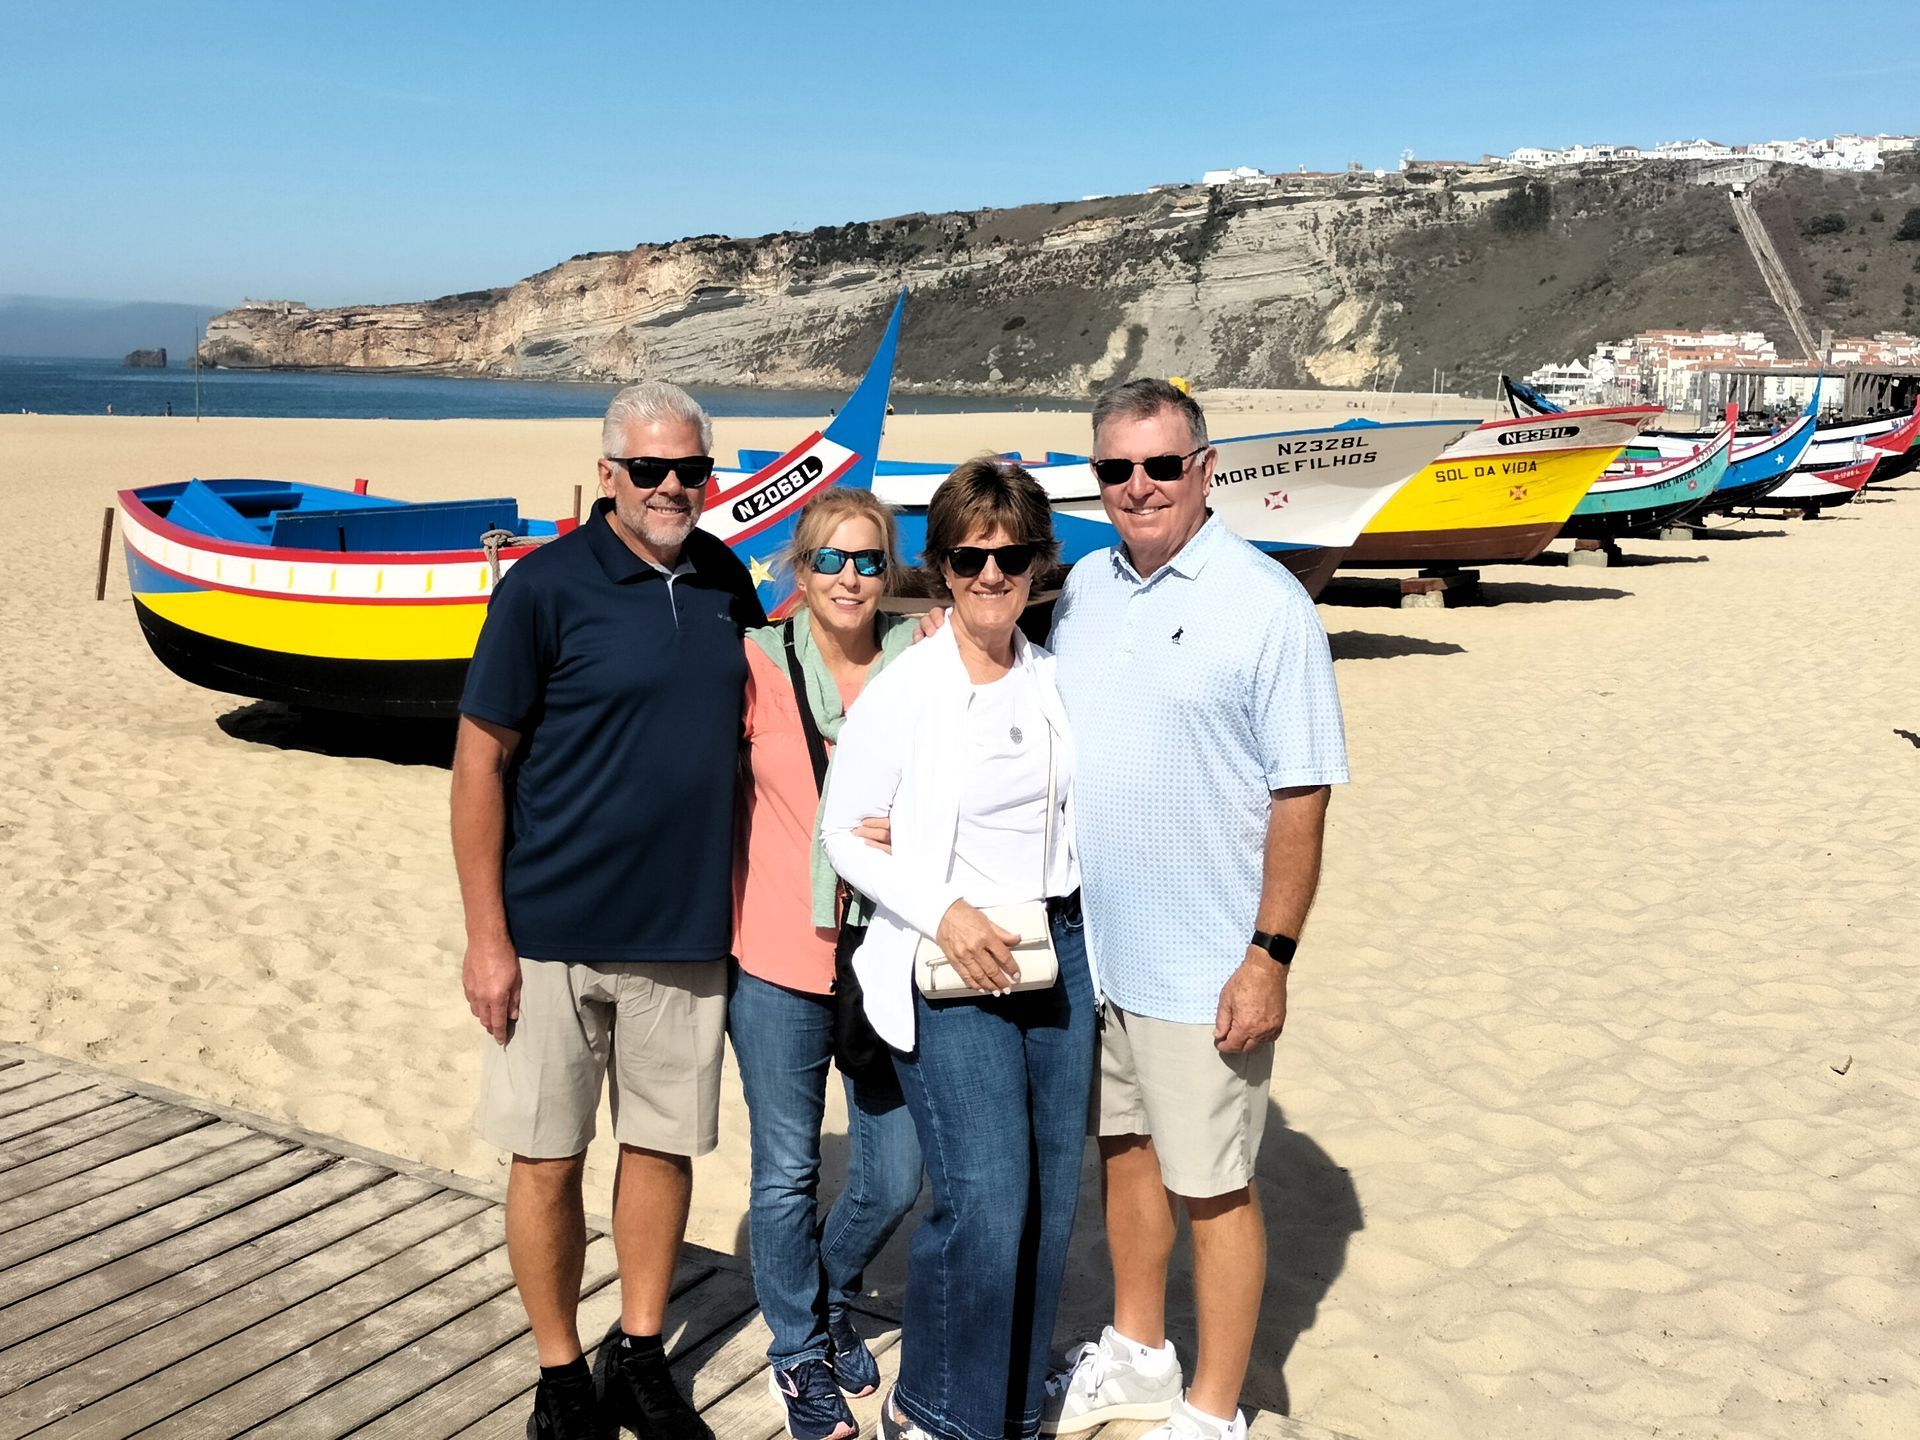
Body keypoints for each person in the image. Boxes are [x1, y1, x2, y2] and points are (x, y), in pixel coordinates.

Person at [452, 381, 764, 1440]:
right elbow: (479, 763)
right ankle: (559, 1373)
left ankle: (638, 1353)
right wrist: (487, 938)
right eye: (650, 468)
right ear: (608, 475)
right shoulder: (542, 588)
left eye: (691, 468)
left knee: (662, 1150)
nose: (672, 486)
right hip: (549, 934)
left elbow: (784, 706)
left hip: (685, 928)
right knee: (547, 1158)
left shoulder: (724, 578)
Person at [1041, 380, 1348, 1440]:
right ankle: (1138, 1356)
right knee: (1124, 1156)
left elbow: (1301, 795)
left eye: (1162, 465)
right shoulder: (1083, 588)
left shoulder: (1266, 604)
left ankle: (1213, 1412)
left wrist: (1269, 957)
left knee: (1215, 1187)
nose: (1139, 486)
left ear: (1204, 469)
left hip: (1207, 960)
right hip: (1098, 953)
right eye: (1116, 468)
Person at [822, 460, 1094, 1440]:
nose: (990, 576)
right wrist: (943, 909)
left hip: (1058, 952)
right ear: (940, 567)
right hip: (953, 965)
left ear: (1037, 566)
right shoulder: (909, 688)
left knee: (1048, 1206)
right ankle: (939, 1410)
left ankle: (1007, 1411)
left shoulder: (1056, 679)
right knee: (985, 1202)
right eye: (971, 558)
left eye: (1010, 558)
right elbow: (844, 831)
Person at [731, 489, 924, 1440]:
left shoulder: (920, 660)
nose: (851, 578)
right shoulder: (751, 662)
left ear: (889, 572)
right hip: (774, 955)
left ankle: (829, 1289)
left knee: (895, 1173)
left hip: (884, 955)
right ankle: (797, 1351)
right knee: (785, 1174)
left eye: (869, 560)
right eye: (831, 560)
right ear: (800, 570)